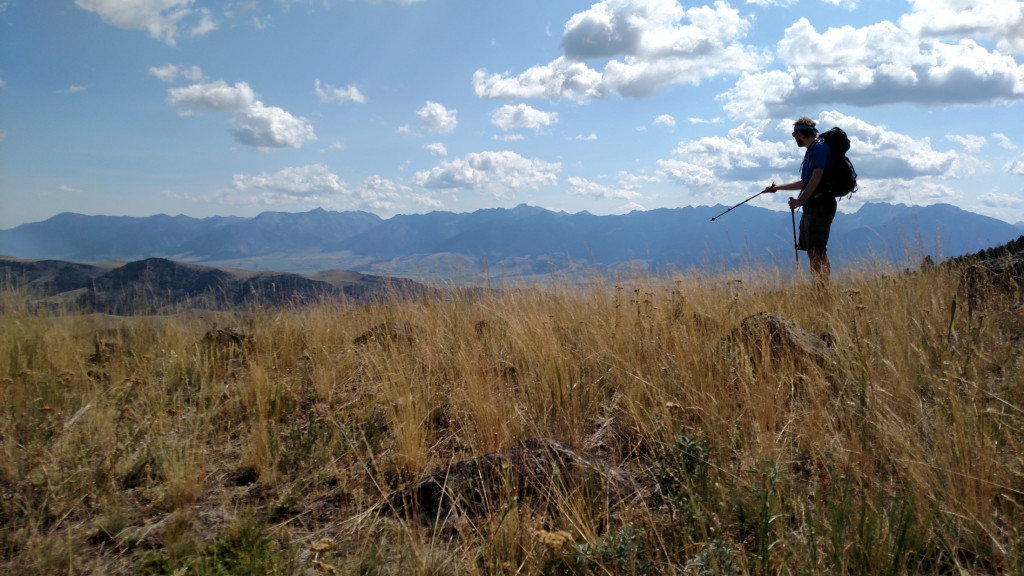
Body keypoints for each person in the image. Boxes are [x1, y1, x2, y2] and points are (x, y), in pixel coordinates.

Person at [764, 117, 837, 279]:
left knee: (818, 251)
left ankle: (822, 290)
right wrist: (777, 188)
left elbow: (817, 176)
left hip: (821, 205)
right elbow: (805, 181)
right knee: (813, 251)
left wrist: (800, 200)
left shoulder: (819, 148)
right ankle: (819, 287)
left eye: (793, 134)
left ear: (799, 133)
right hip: (812, 206)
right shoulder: (812, 150)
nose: (794, 138)